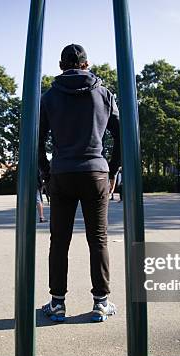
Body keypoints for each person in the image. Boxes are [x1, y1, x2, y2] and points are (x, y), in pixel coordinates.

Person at [38, 44, 121, 323]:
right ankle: (101, 302)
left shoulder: (48, 97)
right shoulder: (104, 94)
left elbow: (37, 141)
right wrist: (113, 171)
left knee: (59, 241)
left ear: (61, 65)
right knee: (98, 239)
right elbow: (121, 134)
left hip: (62, 172)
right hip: (95, 172)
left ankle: (57, 303)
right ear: (86, 64)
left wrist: (47, 173)